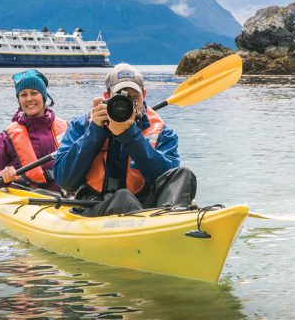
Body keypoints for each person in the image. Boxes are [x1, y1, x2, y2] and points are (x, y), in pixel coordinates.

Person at [54, 63, 197, 216]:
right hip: (95, 205)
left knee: (184, 174)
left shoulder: (163, 132)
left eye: (134, 98)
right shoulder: (81, 125)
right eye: (121, 97)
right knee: (124, 198)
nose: (129, 104)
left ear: (144, 94)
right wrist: (95, 132)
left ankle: (170, 223)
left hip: (145, 206)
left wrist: (130, 136)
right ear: (107, 97)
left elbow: (166, 178)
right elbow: (65, 181)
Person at [0, 69, 67, 192]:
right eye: (23, 95)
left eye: (34, 93)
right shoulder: (7, 137)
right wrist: (0, 175)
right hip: (27, 198)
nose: (29, 99)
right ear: (19, 101)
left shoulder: (66, 128)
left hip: (65, 197)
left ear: (43, 97)